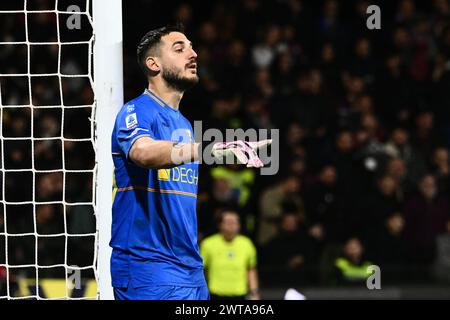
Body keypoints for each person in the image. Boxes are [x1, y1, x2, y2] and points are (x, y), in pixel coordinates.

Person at [110, 24, 269, 300]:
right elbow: (143, 153)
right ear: (153, 63)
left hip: (191, 270)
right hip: (149, 269)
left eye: (192, 47)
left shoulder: (184, 125)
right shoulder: (135, 111)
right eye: (179, 48)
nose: (193, 54)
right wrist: (207, 149)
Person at [200, 210, 259, 300]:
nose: (231, 225)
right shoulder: (208, 244)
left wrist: (254, 293)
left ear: (239, 225)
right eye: (228, 222)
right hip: (215, 295)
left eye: (235, 222)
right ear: (220, 225)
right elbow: (200, 270)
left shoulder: (246, 244)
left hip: (240, 295)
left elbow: (251, 270)